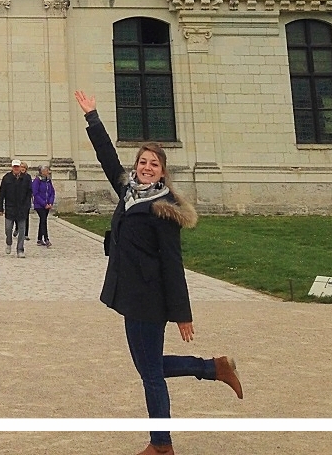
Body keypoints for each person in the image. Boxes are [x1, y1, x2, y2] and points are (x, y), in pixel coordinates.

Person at [74, 89, 243, 455]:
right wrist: (93, 118)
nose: (146, 167)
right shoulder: (130, 192)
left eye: (153, 164)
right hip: (131, 294)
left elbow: (172, 265)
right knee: (149, 367)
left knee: (150, 373)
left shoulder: (163, 209)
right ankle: (214, 367)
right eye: (142, 162)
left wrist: (182, 315)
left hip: (149, 300)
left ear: (163, 171)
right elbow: (107, 159)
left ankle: (162, 444)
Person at [0, 158, 33, 256]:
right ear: (12, 167)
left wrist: (27, 206)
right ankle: (9, 242)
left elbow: (29, 193)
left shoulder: (27, 178)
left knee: (22, 230)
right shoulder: (6, 178)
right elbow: (2, 193)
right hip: (10, 207)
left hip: (22, 208)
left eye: (18, 166)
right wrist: (0, 208)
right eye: (15, 167)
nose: (16, 168)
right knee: (8, 229)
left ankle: (20, 249)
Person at [32, 164, 55, 246]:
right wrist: (44, 204)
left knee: (42, 220)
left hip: (47, 205)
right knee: (43, 220)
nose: (48, 172)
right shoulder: (37, 180)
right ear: (42, 172)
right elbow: (35, 193)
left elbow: (52, 192)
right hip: (39, 205)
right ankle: (46, 238)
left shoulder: (48, 181)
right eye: (46, 171)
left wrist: (50, 203)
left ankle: (39, 239)